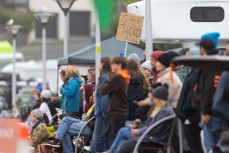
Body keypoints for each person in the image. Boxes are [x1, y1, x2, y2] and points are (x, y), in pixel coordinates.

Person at [107, 84, 175, 153]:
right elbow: (151, 126)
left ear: (159, 99)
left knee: (123, 142)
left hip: (153, 139)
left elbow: (153, 129)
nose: (152, 100)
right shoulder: (162, 109)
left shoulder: (164, 111)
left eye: (154, 98)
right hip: (151, 137)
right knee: (123, 142)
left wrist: (138, 131)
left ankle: (111, 151)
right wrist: (138, 127)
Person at [192, 32, 222, 153]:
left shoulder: (210, 65)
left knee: (210, 147)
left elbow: (209, 90)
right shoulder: (216, 62)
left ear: (203, 49)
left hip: (211, 113)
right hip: (215, 111)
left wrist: (205, 111)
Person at [100, 56, 130, 139]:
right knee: (118, 137)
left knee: (117, 138)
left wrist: (106, 81)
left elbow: (103, 90)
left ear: (119, 65)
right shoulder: (124, 76)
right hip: (122, 111)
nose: (111, 66)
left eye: (113, 64)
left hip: (117, 111)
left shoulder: (117, 77)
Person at [91, 57, 113, 153]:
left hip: (102, 112)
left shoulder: (104, 77)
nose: (97, 64)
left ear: (103, 64)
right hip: (108, 112)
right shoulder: (109, 76)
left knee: (98, 138)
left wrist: (104, 111)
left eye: (99, 62)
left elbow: (105, 96)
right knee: (109, 138)